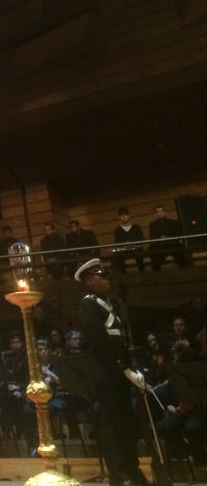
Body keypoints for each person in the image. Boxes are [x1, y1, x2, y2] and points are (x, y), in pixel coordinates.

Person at [75, 258, 149, 486]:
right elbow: (100, 342)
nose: (107, 279)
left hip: (118, 372)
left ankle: (132, 469)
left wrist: (133, 368)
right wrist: (124, 368)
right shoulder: (88, 304)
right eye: (101, 276)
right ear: (89, 281)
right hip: (106, 373)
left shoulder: (109, 303)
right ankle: (119, 475)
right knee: (112, 425)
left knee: (126, 423)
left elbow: (121, 341)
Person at [147, 204, 187, 270]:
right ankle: (157, 275)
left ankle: (184, 271)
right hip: (160, 246)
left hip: (172, 244)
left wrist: (168, 237)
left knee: (181, 251)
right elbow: (153, 236)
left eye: (162, 211)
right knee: (153, 252)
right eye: (158, 211)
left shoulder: (173, 222)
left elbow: (178, 233)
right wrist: (160, 238)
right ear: (156, 214)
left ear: (165, 212)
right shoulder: (152, 224)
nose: (160, 213)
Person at [111, 208, 145, 275]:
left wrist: (133, 243)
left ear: (129, 216)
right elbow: (117, 242)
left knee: (139, 255)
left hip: (136, 248)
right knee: (117, 257)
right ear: (119, 217)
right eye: (121, 215)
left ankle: (142, 275)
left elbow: (141, 239)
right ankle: (124, 276)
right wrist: (124, 244)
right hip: (123, 250)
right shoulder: (117, 229)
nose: (124, 217)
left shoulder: (136, 227)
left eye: (126, 215)